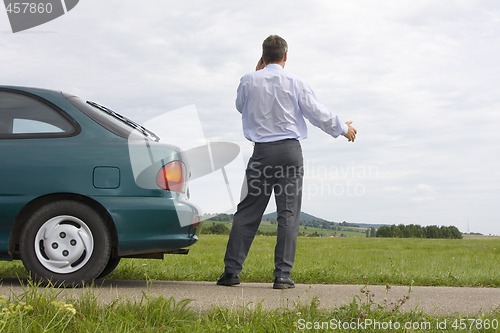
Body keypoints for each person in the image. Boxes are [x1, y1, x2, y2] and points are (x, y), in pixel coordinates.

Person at [217, 35, 357, 289]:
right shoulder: (295, 82)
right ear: (285, 56)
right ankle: (282, 276)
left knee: (248, 211)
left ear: (263, 55)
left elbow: (241, 107)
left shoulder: (248, 80)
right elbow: (316, 112)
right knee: (288, 214)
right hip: (290, 153)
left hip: (261, 154)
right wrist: (341, 128)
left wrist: (256, 72)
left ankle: (231, 272)